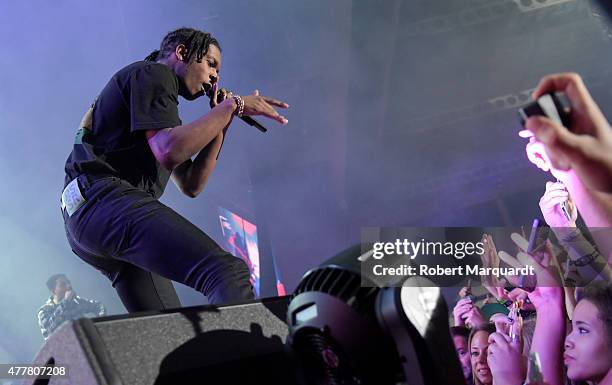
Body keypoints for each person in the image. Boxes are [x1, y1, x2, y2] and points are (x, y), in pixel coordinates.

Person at [61, 27, 289, 312]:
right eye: (210, 63)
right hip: (104, 201)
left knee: (167, 327)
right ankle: (248, 353)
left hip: (89, 216)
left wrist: (222, 122)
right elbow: (170, 151)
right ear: (182, 53)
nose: (215, 76)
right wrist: (234, 104)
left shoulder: (153, 101)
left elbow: (191, 184)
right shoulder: (154, 74)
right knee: (226, 271)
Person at [37, 274, 106, 340]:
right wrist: (65, 302)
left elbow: (98, 306)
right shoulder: (44, 310)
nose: (68, 286)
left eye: (68, 282)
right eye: (63, 284)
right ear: (53, 291)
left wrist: (101, 319)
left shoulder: (77, 302)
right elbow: (49, 328)